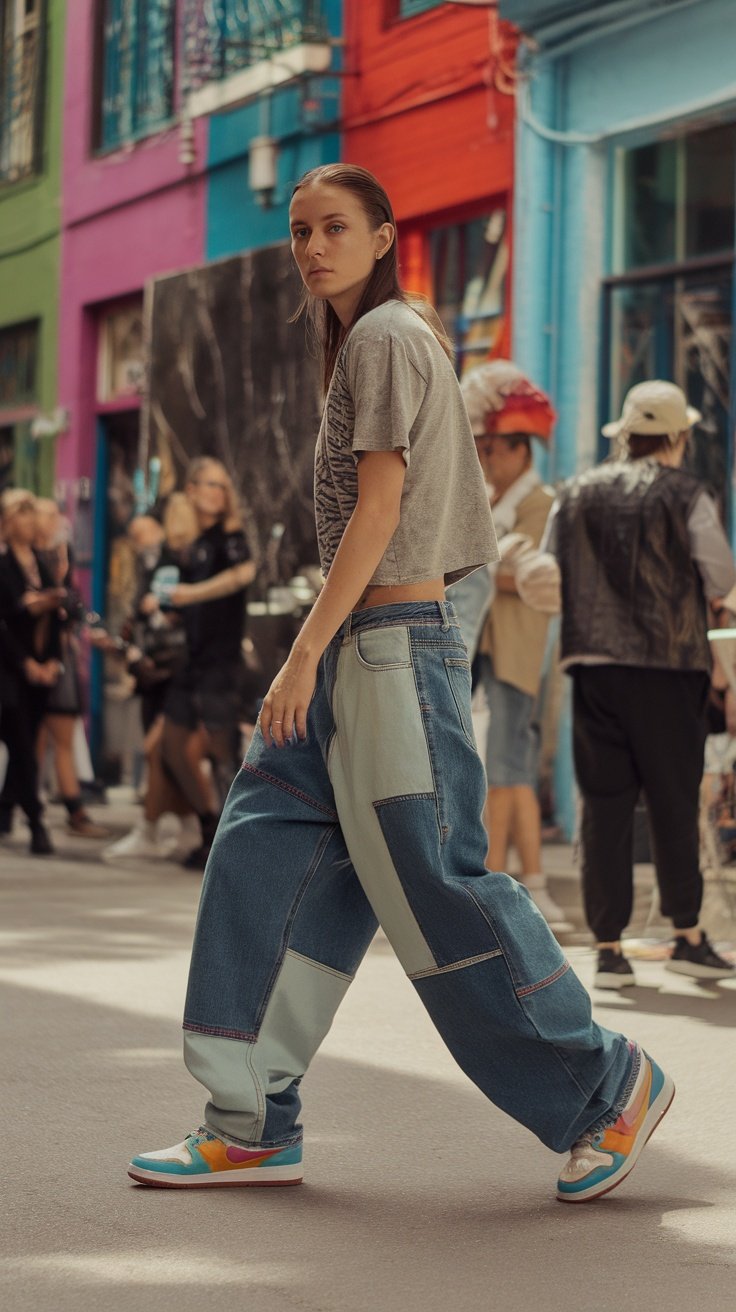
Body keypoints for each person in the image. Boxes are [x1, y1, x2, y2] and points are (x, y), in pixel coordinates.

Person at [129, 165, 674, 1204]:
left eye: (334, 226)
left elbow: (380, 518)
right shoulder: (365, 342)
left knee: (435, 886)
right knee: (260, 853)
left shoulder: (384, 336)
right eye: (299, 231)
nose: (311, 245)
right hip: (356, 653)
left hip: (380, 648)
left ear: (382, 237)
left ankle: (606, 1087)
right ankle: (246, 1120)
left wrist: (300, 655)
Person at [545, 379, 736, 988]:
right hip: (669, 667)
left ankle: (609, 949)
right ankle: (687, 934)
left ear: (625, 436)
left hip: (594, 668)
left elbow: (552, 569)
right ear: (678, 437)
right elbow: (721, 574)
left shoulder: (573, 494)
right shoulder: (688, 494)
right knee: (673, 798)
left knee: (603, 805)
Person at [462, 362, 569, 930]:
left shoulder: (539, 503)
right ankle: (523, 883)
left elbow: (516, 573)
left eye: (496, 448)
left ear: (521, 449)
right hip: (487, 645)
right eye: (481, 448)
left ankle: (505, 881)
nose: (487, 459)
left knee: (507, 769)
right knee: (504, 770)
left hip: (518, 652)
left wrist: (485, 566)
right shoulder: (490, 499)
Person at [156, 463, 256, 869]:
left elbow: (242, 575)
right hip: (191, 661)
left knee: (222, 752)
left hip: (221, 662)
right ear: (192, 488)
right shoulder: (190, 544)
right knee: (171, 748)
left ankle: (238, 841)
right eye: (211, 484)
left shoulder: (230, 539)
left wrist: (191, 595)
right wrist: (167, 610)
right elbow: (176, 602)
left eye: (223, 485)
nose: (218, 492)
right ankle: (210, 828)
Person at [34, 498, 110, 840]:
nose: (60, 520)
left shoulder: (50, 551)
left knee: (52, 736)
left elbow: (71, 602)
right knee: (37, 736)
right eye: (50, 515)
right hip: (36, 656)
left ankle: (60, 808)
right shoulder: (30, 555)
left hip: (54, 654)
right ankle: (50, 807)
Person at [0, 490, 64, 854]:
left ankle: (6, 806)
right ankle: (37, 821)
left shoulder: (42, 561)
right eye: (19, 515)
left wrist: (52, 660)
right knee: (23, 743)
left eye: (29, 514)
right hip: (11, 667)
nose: (27, 521)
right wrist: (25, 662)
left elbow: (56, 615)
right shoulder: (3, 563)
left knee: (25, 740)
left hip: (42, 665)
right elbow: (4, 622)